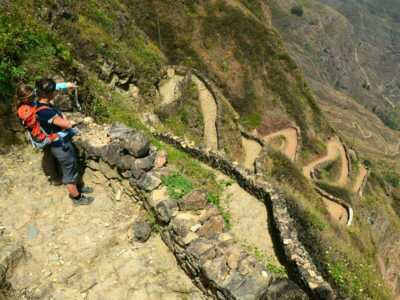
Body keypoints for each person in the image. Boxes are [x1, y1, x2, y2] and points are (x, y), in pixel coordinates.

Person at [34, 78, 94, 205]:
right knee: (69, 170)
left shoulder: (40, 102)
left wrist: (66, 85)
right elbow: (66, 124)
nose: (56, 93)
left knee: (72, 165)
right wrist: (71, 120)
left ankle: (78, 187)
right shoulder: (45, 112)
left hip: (62, 143)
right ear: (49, 93)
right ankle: (77, 198)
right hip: (59, 146)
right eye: (54, 91)